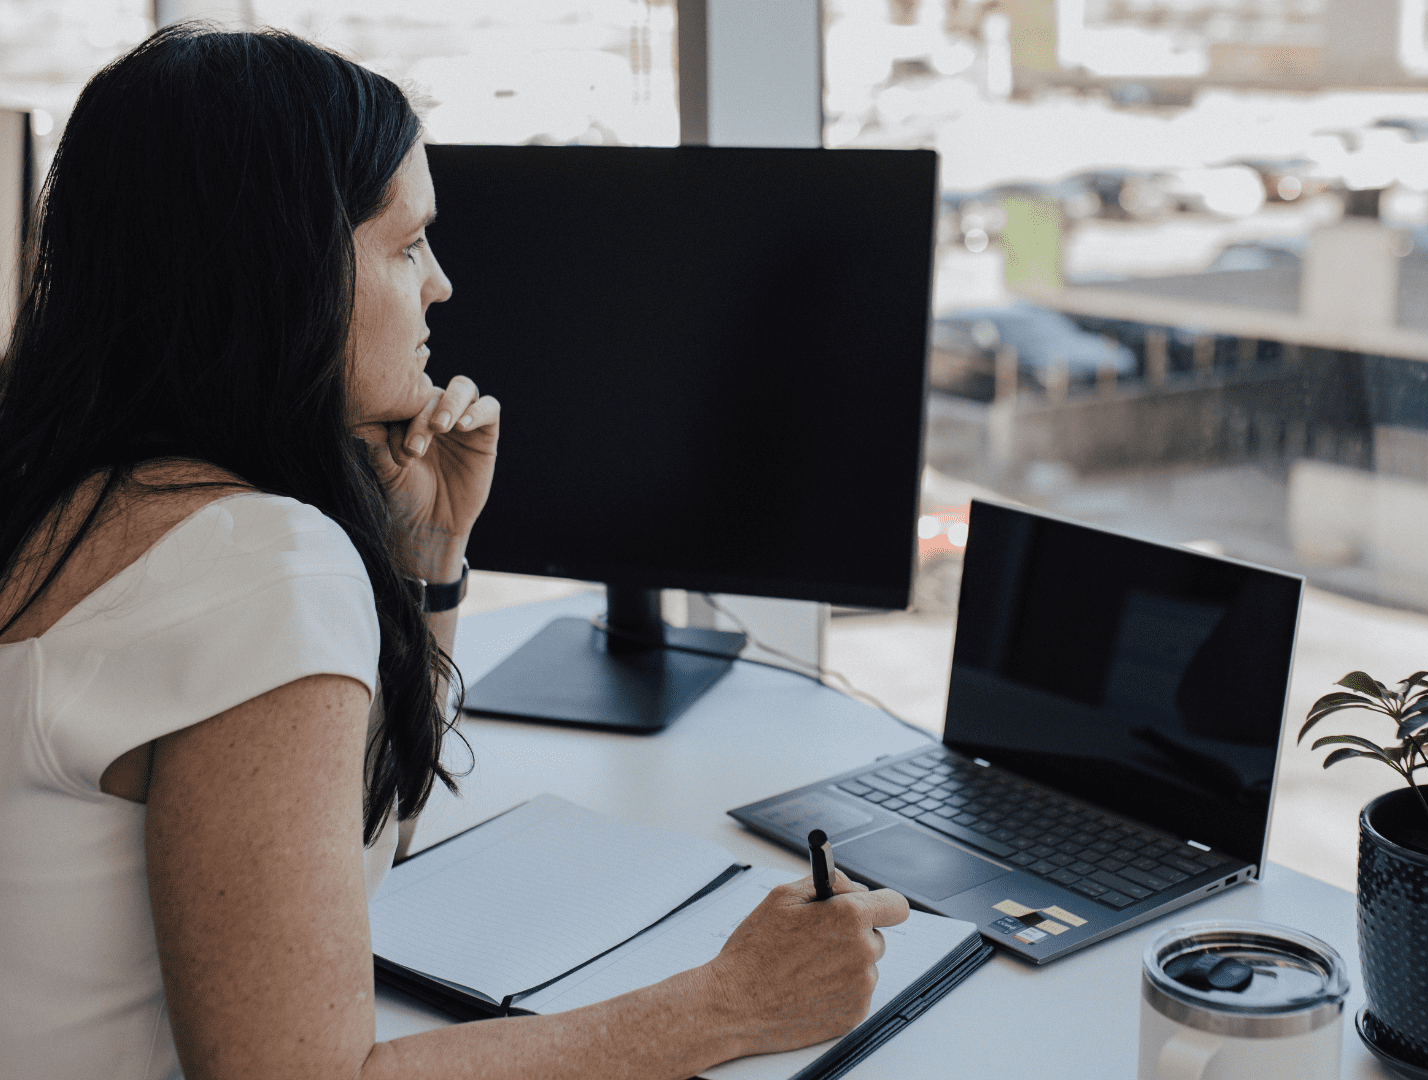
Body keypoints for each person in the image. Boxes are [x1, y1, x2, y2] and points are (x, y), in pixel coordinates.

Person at [0, 25, 910, 1080]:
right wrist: (727, 1004)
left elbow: (354, 850)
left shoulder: (61, 492)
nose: (439, 284)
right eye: (403, 246)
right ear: (283, 271)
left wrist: (425, 555)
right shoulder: (257, 566)